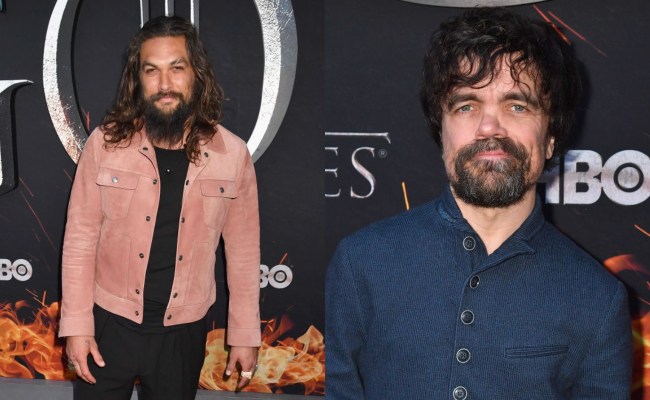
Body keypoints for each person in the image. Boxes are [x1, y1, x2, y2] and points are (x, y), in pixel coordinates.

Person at [325, 7, 632, 400]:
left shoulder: (597, 297)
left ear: (551, 137)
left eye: (517, 105)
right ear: (442, 132)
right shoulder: (361, 263)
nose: (489, 127)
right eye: (466, 106)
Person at [59, 16, 261, 399]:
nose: (165, 84)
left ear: (197, 74)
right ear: (137, 79)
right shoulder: (104, 144)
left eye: (177, 68)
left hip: (182, 335)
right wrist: (77, 326)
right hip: (108, 325)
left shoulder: (232, 155)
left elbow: (244, 253)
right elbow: (80, 241)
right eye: (151, 70)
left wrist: (245, 334)